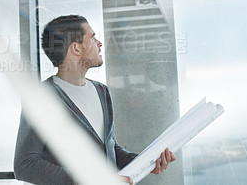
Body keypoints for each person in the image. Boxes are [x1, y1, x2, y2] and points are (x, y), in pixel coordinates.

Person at [14, 15, 175, 184]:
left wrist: (148, 163)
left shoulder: (102, 91)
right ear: (76, 48)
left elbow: (110, 148)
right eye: (92, 37)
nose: (99, 43)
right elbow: (25, 165)